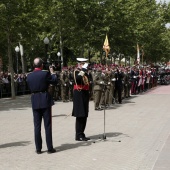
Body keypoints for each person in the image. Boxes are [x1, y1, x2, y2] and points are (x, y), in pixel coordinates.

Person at [27, 57, 57, 154]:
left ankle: (38, 148)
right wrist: (52, 72)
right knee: (47, 125)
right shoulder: (45, 73)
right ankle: (49, 148)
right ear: (42, 65)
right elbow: (54, 81)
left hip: (35, 99)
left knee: (37, 126)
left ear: (33, 65)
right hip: (44, 99)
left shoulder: (29, 76)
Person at [72, 58, 90, 141]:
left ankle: (82, 133)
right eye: (83, 64)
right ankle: (78, 134)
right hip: (79, 94)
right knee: (80, 114)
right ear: (79, 64)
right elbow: (78, 79)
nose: (85, 65)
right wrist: (83, 69)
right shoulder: (76, 72)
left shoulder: (84, 72)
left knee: (85, 114)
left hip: (84, 93)